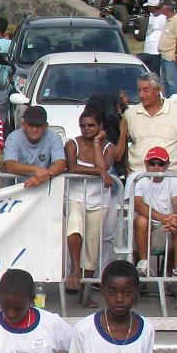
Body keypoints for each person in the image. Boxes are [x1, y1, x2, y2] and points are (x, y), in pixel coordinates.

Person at [65, 107, 116, 301]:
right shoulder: (72, 144)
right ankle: (75, 269)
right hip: (75, 196)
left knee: (93, 246)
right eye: (83, 125)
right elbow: (72, 166)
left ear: (100, 127)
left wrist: (96, 142)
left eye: (91, 125)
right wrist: (99, 173)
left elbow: (105, 166)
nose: (86, 129)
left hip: (99, 200)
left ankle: (84, 293)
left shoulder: (107, 147)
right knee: (74, 226)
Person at [132, 147, 177, 278]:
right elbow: (138, 204)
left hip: (168, 226)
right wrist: (163, 218)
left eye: (161, 163)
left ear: (168, 165)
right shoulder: (137, 178)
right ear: (145, 163)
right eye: (152, 163)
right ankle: (143, 263)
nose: (156, 167)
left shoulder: (175, 179)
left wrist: (175, 218)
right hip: (143, 227)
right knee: (142, 220)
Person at [118, 73, 177, 173]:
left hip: (171, 175)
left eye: (146, 90)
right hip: (139, 176)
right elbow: (122, 147)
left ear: (158, 90)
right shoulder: (130, 114)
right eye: (139, 90)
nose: (141, 95)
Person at [1, 105, 66, 190]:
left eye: (38, 125)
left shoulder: (54, 137)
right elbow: (9, 164)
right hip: (16, 191)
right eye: (31, 125)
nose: (34, 129)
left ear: (46, 126)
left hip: (43, 189)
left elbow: (60, 163)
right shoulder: (13, 137)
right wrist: (35, 169)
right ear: (23, 125)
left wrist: (41, 177)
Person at [156, 1, 177, 101]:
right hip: (163, 55)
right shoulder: (167, 20)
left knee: (172, 82)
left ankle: (175, 104)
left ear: (167, 10)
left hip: (171, 56)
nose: (160, 10)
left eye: (161, 8)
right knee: (164, 82)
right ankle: (165, 102)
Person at [139, 0, 164, 74]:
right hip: (147, 50)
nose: (147, 8)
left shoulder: (163, 18)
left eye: (149, 6)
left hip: (156, 51)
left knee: (154, 73)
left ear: (153, 7)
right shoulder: (151, 16)